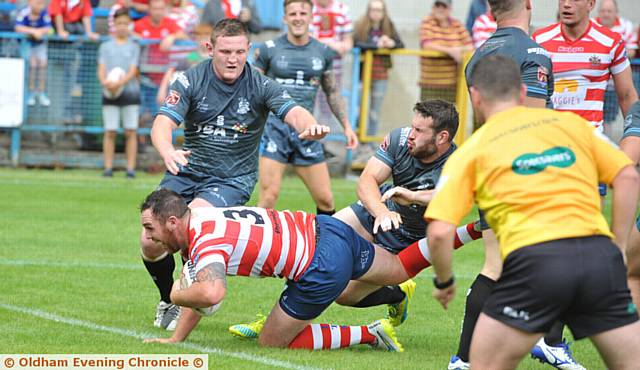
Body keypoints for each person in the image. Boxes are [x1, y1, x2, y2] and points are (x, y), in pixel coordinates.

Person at [426, 53, 640, 370]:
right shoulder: (572, 125)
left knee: (480, 363)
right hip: (599, 260)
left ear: (475, 96)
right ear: (523, 93)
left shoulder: (472, 149)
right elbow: (628, 176)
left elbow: (440, 232)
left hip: (535, 264)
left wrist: (444, 283)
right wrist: (619, 245)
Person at [227, 100, 483, 339]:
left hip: (410, 239)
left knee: (344, 295)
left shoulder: (457, 164)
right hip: (373, 213)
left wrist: (413, 196)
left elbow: (452, 195)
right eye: (412, 125)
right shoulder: (399, 139)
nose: (411, 133)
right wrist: (381, 212)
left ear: (442, 137)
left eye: (419, 130)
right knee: (312, 246)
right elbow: (367, 180)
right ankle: (273, 319)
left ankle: (395, 295)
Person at [142, 18, 330, 331]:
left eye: (240, 52)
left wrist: (308, 126)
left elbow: (294, 111)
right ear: (209, 48)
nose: (233, 59)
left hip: (230, 181)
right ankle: (171, 299)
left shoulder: (260, 84)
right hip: (186, 169)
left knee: (195, 221)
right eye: (226, 51)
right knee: (149, 242)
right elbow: (162, 123)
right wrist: (167, 151)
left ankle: (201, 295)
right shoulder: (191, 80)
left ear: (249, 51)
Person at [140, 188, 452, 349]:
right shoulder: (203, 217)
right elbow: (204, 282)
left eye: (149, 228)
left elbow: (210, 291)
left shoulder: (206, 242)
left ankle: (370, 335)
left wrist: (174, 294)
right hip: (327, 228)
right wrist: (176, 340)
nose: (149, 237)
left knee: (272, 342)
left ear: (172, 223)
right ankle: (469, 232)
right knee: (397, 268)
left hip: (320, 265)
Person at [449, 1, 557, 369]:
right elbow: (532, 123)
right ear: (527, 4)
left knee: (494, 264)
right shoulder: (533, 52)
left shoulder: (480, 53)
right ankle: (547, 341)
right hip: (522, 171)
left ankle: (464, 359)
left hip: (488, 165)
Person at [254, 0, 358, 216]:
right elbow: (252, 90)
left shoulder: (323, 51)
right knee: (268, 198)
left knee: (326, 199)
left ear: (311, 17)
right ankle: (256, 248)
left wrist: (347, 126)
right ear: (285, 18)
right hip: (275, 131)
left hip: (308, 133)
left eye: (303, 13)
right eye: (293, 13)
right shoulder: (268, 49)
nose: (298, 17)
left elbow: (332, 92)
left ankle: (326, 246)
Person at [352, 0, 404, 153]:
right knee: (358, 109)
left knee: (374, 111)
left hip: (380, 75)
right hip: (362, 74)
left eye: (379, 10)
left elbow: (400, 44)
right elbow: (356, 43)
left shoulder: (388, 26)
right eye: (373, 9)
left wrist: (390, 43)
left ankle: (369, 142)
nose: (376, 13)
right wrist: (377, 46)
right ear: (368, 11)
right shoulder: (361, 26)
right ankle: (358, 140)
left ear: (384, 12)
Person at [98, 7, 141, 179]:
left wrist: (118, 83)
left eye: (125, 23)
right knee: (110, 131)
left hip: (130, 92)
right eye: (119, 23)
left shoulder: (134, 46)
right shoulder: (105, 46)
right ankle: (108, 167)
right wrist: (106, 83)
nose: (122, 26)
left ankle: (130, 168)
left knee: (131, 131)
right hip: (109, 92)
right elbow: (101, 68)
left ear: (130, 25)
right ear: (114, 25)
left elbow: (133, 70)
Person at [48, 0, 99, 125]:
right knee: (55, 87)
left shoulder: (83, 2)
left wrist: (89, 33)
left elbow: (86, 17)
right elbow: (57, 15)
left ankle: (66, 115)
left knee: (70, 84)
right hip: (56, 48)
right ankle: (53, 121)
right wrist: (60, 31)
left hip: (72, 48)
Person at [310, 0, 353, 133]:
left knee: (328, 106)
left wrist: (322, 43)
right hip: (310, 67)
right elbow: (305, 39)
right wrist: (332, 44)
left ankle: (323, 143)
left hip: (335, 68)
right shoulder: (307, 7)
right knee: (308, 102)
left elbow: (347, 43)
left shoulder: (342, 9)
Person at [595, 0, 638, 132]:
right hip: (596, 81)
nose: (606, 14)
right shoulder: (592, 25)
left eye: (609, 11)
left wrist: (612, 56)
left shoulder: (626, 26)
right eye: (603, 11)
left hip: (616, 82)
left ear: (616, 13)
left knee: (608, 118)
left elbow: (632, 50)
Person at [419, 0, 473, 103]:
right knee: (428, 116)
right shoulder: (427, 22)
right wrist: (451, 51)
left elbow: (470, 46)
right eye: (437, 5)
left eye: (444, 6)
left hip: (452, 84)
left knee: (449, 117)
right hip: (430, 84)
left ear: (450, 9)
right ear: (433, 7)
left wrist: (457, 50)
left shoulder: (457, 24)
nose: (440, 9)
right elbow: (427, 45)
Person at [14, 0, 52, 107]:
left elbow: (48, 27)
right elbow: (18, 27)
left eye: (42, 3)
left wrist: (40, 32)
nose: (41, 6)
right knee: (32, 65)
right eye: (38, 3)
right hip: (27, 44)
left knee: (43, 64)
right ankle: (30, 92)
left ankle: (41, 92)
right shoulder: (24, 12)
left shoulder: (44, 13)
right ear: (30, 3)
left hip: (40, 44)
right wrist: (33, 31)